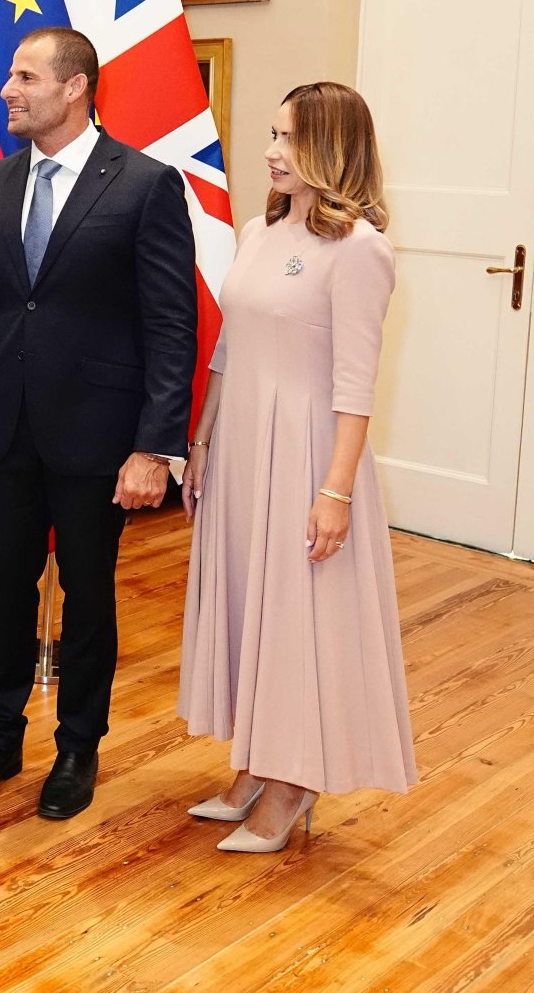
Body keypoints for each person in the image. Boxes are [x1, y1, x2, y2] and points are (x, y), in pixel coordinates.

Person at [0, 28, 197, 819]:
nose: (9, 89)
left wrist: (155, 446)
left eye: (25, 77)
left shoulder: (144, 185)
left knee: (86, 596)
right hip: (7, 428)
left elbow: (172, 326)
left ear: (75, 88)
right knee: (0, 590)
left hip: (99, 440)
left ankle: (77, 748)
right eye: (11, 77)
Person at [178, 82, 417, 853]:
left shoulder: (360, 250)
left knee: (297, 614)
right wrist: (204, 440)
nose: (273, 151)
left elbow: (356, 384)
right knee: (253, 602)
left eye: (289, 138)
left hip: (309, 452)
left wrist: (335, 490)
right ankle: (254, 758)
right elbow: (227, 347)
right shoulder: (258, 230)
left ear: (331, 148)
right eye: (273, 135)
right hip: (243, 446)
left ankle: (292, 784)